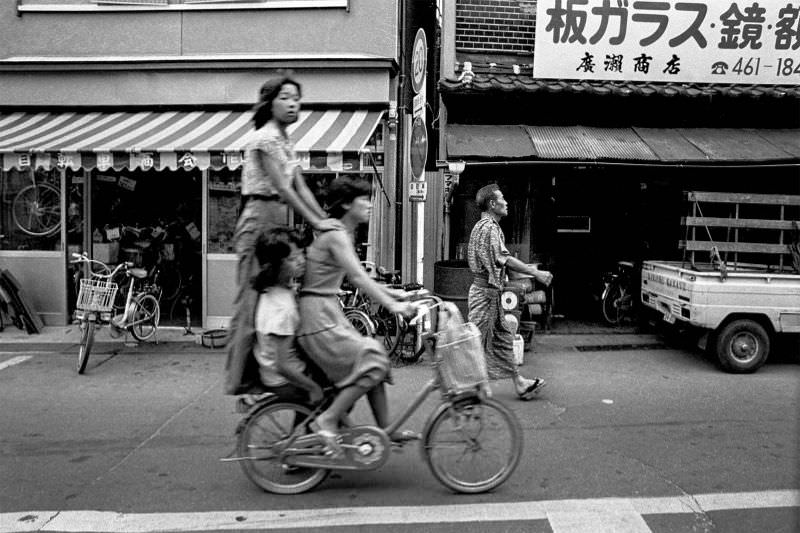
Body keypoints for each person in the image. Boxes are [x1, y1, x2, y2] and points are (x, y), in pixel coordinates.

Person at [224, 75, 340, 395]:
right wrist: (316, 224)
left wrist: (324, 220)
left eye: (297, 98)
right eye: (286, 97)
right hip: (259, 216)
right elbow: (284, 188)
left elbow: (301, 185)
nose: (293, 104)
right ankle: (242, 384)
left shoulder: (286, 142)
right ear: (270, 102)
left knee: (279, 295)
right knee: (249, 304)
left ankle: (274, 372)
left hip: (275, 217)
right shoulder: (264, 139)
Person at [297, 176, 415, 457]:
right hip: (318, 318)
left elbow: (357, 277)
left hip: (326, 312)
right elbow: (358, 277)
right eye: (365, 200)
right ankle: (326, 419)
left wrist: (394, 294)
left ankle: (386, 429)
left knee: (375, 356)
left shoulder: (343, 233)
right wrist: (393, 305)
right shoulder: (336, 235)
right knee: (373, 360)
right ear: (348, 203)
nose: (370, 206)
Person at [467, 183, 553, 401]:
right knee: (475, 341)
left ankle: (519, 383)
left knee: (503, 338)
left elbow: (500, 264)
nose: (507, 203)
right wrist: (536, 274)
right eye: (502, 198)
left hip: (490, 293)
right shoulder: (489, 228)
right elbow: (503, 258)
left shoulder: (484, 226)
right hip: (484, 294)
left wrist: (528, 270)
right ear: (493, 204)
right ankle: (468, 388)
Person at [243, 227, 324, 408]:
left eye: (302, 254)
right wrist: (312, 388)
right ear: (275, 265)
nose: (302, 261)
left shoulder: (269, 291)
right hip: (284, 380)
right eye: (293, 259)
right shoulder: (283, 309)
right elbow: (282, 365)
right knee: (334, 392)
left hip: (270, 371)